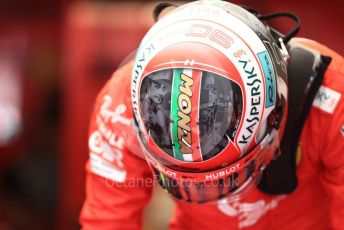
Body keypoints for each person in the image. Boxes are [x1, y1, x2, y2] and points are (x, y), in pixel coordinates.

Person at [80, 1, 344, 229]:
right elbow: (108, 221)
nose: (216, 195)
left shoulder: (335, 99)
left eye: (227, 178)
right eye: (194, 186)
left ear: (274, 115)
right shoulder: (119, 104)